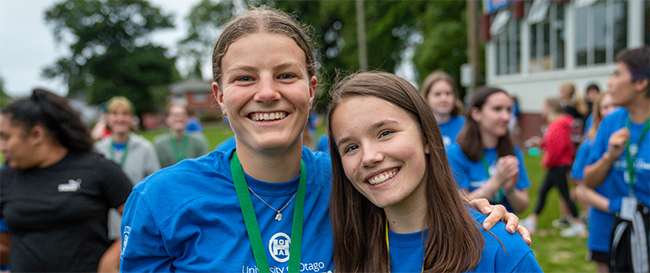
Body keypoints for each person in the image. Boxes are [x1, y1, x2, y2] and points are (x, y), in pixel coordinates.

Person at [119, 6, 528, 272]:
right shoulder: (161, 200)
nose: (266, 93)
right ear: (219, 97)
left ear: (311, 88)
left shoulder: (351, 182)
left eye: (286, 75)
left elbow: (420, 203)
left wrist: (481, 212)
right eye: (245, 78)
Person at [327, 71, 542, 272]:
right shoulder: (344, 255)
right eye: (351, 147)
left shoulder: (502, 251)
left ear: (427, 137)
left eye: (385, 133)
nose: (369, 157)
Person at [0, 89, 133, 272]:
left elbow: (142, 221)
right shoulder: (6, 178)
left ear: (37, 135)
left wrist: (113, 258)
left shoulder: (98, 169)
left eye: (6, 137)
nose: (1, 147)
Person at [584, 46, 650, 273]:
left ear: (641, 83)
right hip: (614, 229)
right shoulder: (611, 122)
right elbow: (588, 180)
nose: (610, 83)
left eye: (617, 74)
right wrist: (609, 157)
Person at [447, 87, 531, 214]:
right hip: (473, 229)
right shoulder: (456, 154)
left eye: (509, 110)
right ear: (476, 114)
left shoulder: (513, 152)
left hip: (504, 228)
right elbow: (459, 206)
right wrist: (497, 181)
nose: (506, 117)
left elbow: (522, 207)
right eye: (497, 109)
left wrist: (510, 190)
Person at [94, 96, 160, 240]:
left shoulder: (145, 148)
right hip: (106, 227)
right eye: (115, 114)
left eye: (125, 114)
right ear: (107, 118)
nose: (120, 119)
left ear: (131, 118)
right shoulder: (98, 150)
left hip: (137, 225)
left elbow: (155, 187)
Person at [520, 98, 583, 236]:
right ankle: (532, 220)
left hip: (558, 165)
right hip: (558, 164)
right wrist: (542, 143)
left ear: (549, 108)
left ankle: (578, 225)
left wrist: (547, 162)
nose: (542, 109)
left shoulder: (557, 125)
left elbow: (557, 148)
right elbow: (554, 142)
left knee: (564, 195)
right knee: (544, 192)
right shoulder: (557, 124)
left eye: (543, 106)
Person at [572, 91, 618, 272]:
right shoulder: (589, 145)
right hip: (603, 224)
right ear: (598, 114)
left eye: (615, 105)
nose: (611, 111)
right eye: (605, 107)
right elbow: (579, 189)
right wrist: (614, 207)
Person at [154, 104, 209, 168]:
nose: (179, 119)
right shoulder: (160, 144)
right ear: (167, 119)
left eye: (183, 115)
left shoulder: (198, 141)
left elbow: (204, 166)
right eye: (175, 115)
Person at [419, 71, 465, 148]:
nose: (444, 99)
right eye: (437, 94)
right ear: (426, 98)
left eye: (448, 93)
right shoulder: (420, 127)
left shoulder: (466, 125)